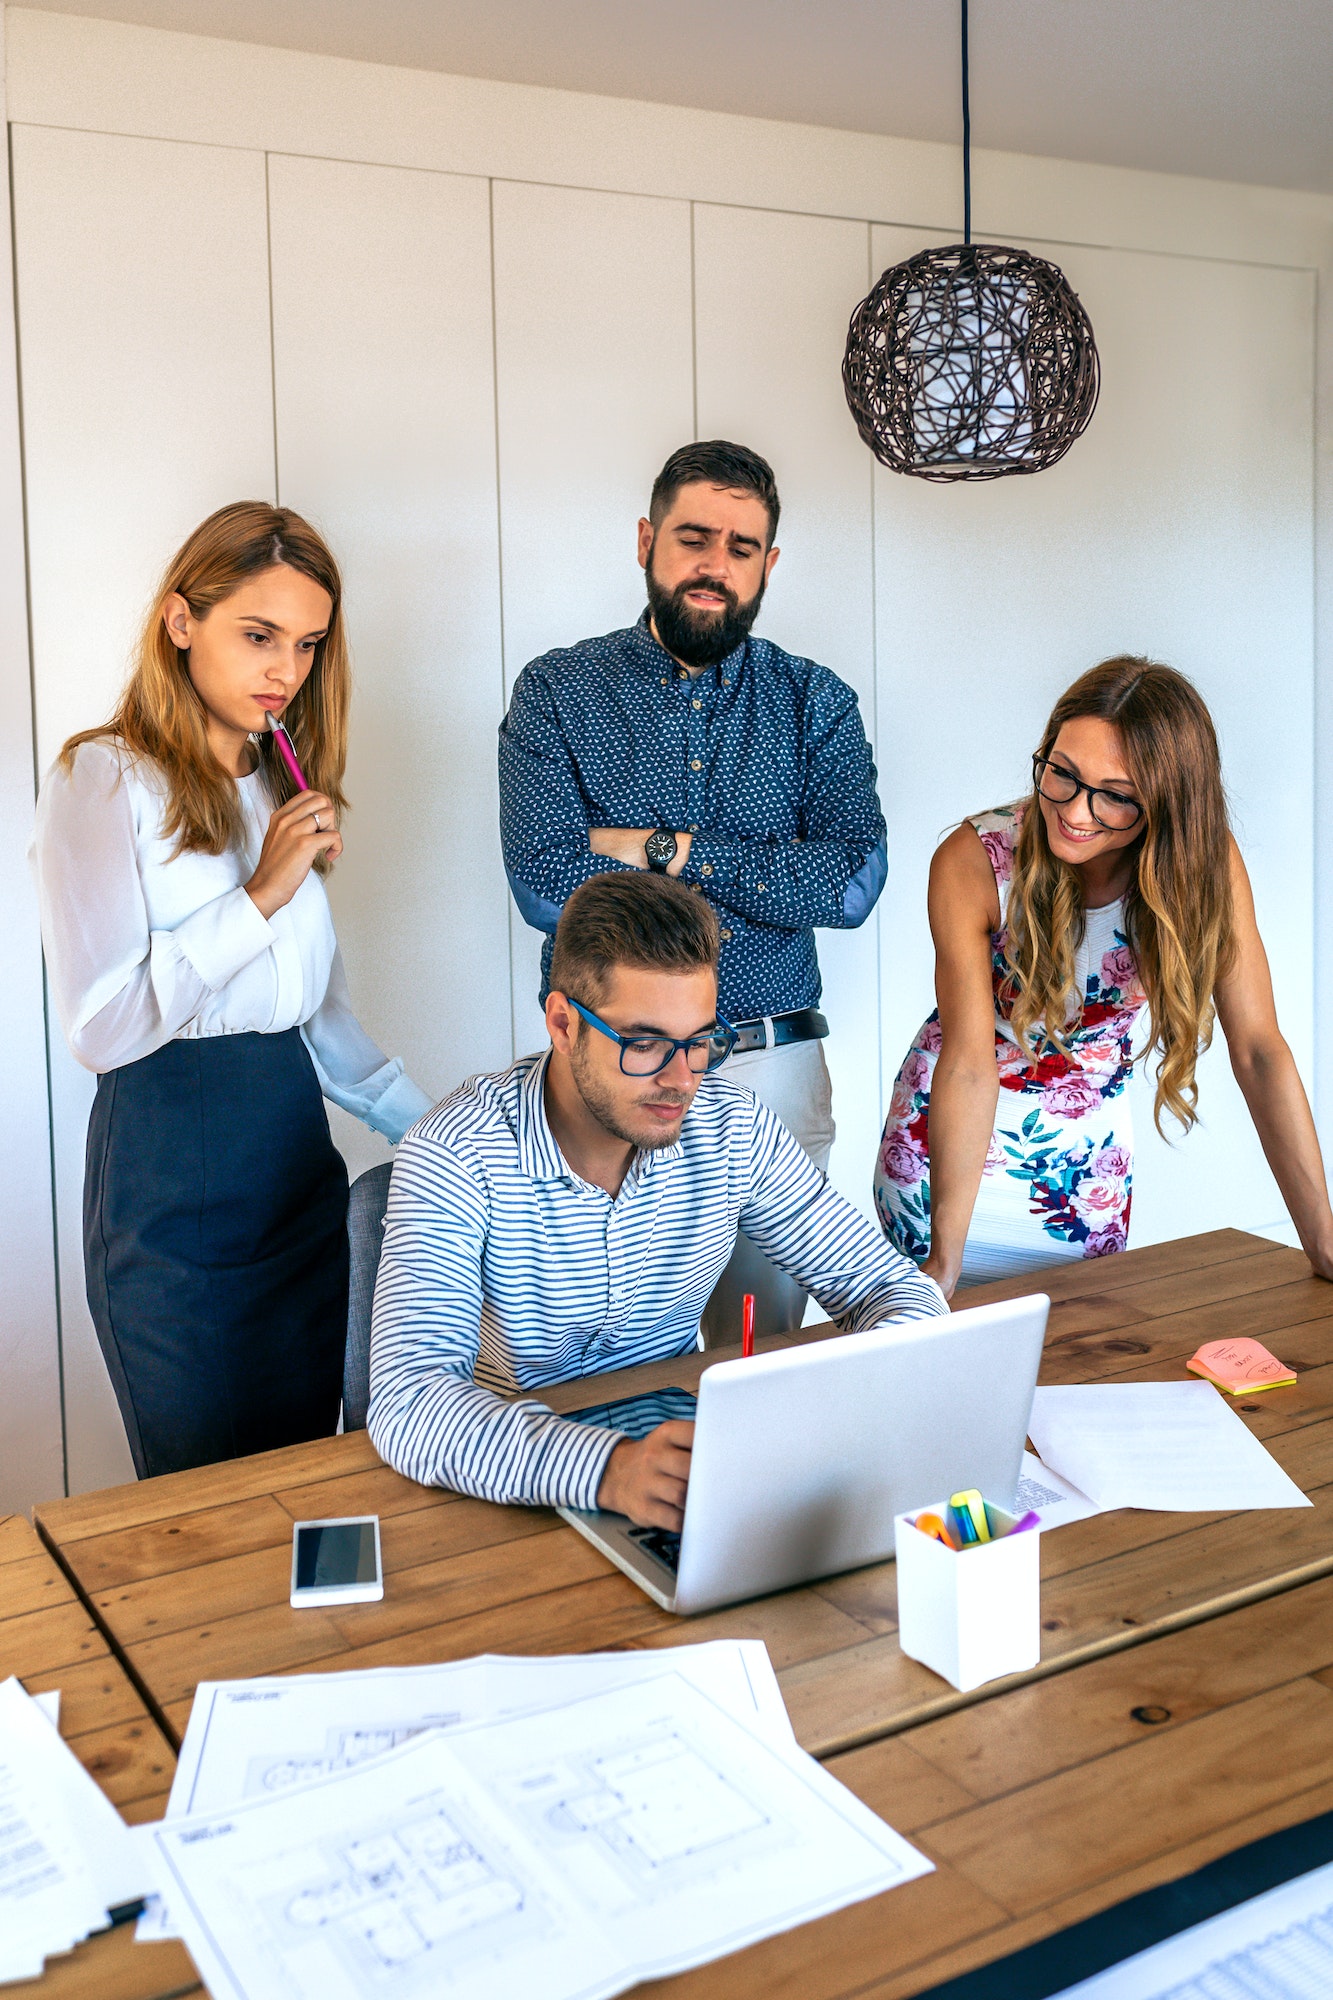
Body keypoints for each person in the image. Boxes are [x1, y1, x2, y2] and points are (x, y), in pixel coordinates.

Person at [31, 501, 432, 1478]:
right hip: (171, 1189)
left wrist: (451, 1139)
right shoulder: (101, 775)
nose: (284, 669)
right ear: (181, 621)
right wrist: (260, 895)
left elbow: (322, 1023)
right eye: (259, 634)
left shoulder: (277, 790)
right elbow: (100, 1026)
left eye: (305, 643)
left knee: (309, 1483)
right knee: (206, 1502)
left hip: (297, 1183)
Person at [369, 874, 943, 1529]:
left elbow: (891, 1289)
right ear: (562, 1022)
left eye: (699, 1041)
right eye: (643, 1044)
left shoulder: (732, 1127)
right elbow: (408, 1402)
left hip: (680, 1467)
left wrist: (846, 1400)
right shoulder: (453, 1152)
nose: (680, 1079)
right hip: (502, 1481)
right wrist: (607, 1470)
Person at [497, 439, 887, 1346]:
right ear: (646, 540)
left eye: (740, 547)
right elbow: (549, 889)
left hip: (771, 1072)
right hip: (606, 1074)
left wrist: (655, 849)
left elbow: (853, 881)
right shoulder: (558, 692)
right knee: (599, 1356)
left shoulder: (813, 702)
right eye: (693, 538)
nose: (715, 565)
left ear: (768, 564)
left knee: (764, 1355)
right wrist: (769, 875)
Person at [875, 656, 1333, 1295]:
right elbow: (970, 1062)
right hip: (946, 1157)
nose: (1076, 810)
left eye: (1115, 795)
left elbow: (1259, 1051)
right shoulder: (974, 859)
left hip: (1085, 1168)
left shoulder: (1203, 865)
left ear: (1166, 805)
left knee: (1081, 1359)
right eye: (1062, 773)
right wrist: (944, 1259)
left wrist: (1323, 1243)